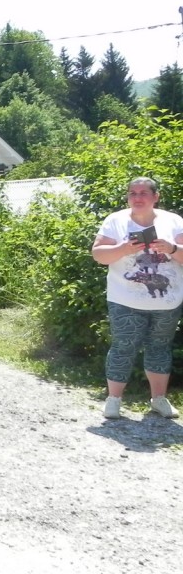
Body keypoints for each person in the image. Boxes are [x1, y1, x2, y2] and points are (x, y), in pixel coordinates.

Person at [91, 176, 183, 419]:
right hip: (124, 301)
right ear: (127, 197)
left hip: (167, 302)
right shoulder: (115, 221)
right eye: (133, 193)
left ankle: (159, 400)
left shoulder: (173, 221)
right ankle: (113, 401)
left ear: (156, 197)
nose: (137, 198)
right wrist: (123, 248)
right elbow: (98, 254)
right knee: (123, 347)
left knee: (160, 348)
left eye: (143, 193)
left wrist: (172, 249)